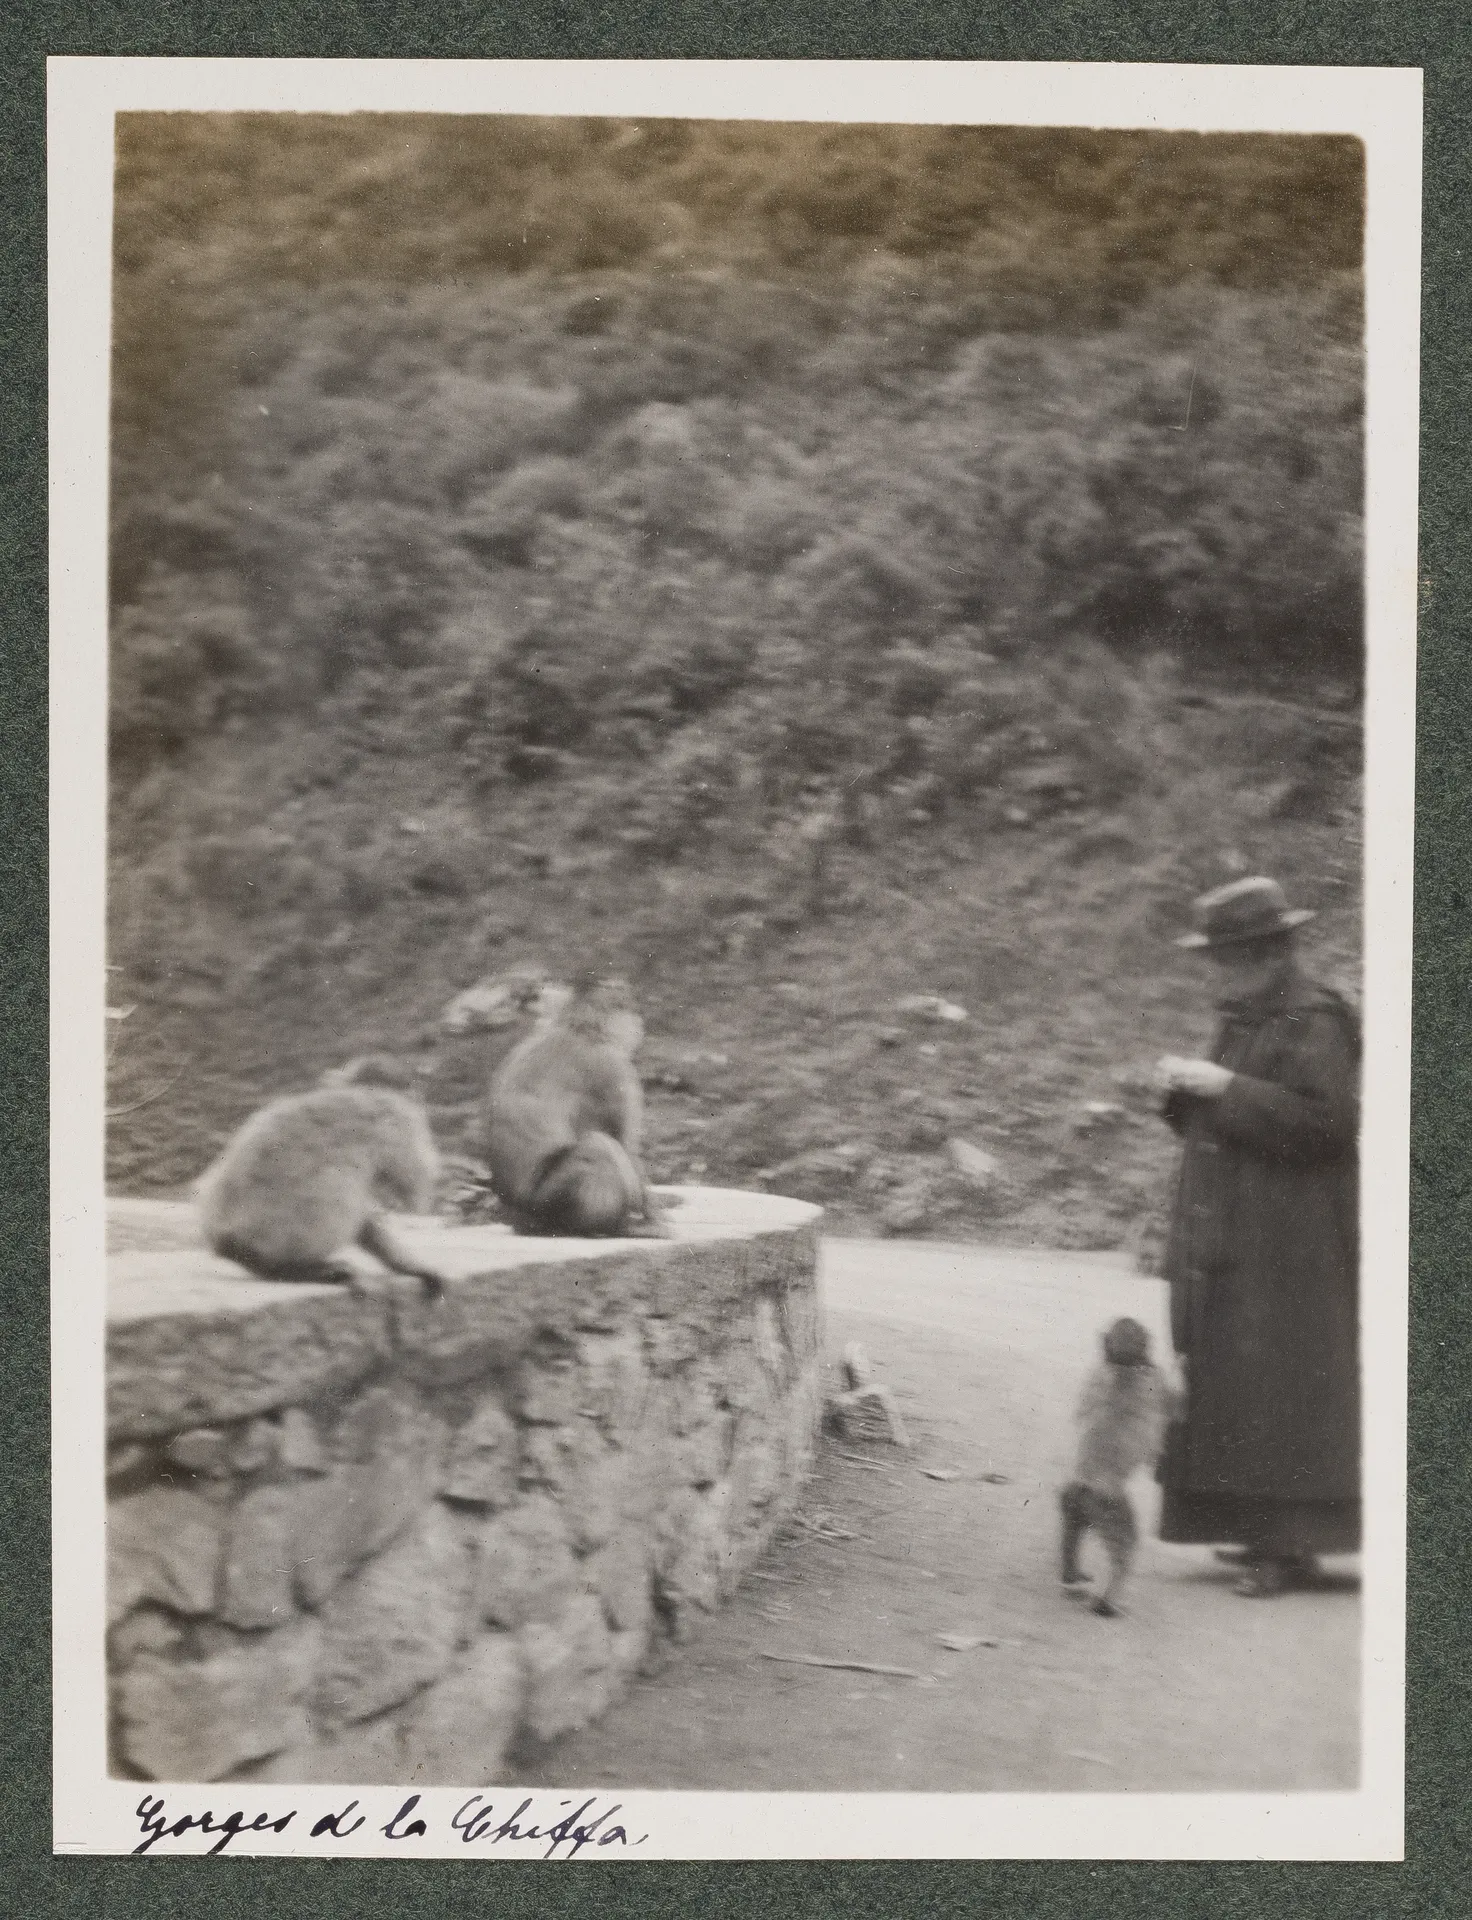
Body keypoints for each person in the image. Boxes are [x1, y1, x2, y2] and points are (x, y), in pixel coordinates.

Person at [1155, 875, 1360, 1599]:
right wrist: (1187, 1092)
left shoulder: (1315, 1017)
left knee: (1282, 1386)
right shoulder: (1246, 1013)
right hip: (1237, 1232)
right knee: (1237, 1383)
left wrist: (1222, 1088)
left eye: (1229, 955)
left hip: (1291, 1239)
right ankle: (1255, 1533)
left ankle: (1288, 1549)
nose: (1219, 970)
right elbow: (1223, 1111)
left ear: (1271, 951)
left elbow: (1326, 1124)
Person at [1059, 1316, 1178, 1617]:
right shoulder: (1151, 1381)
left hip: (1080, 1480)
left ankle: (1070, 1573)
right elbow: (1172, 1410)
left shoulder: (1100, 1376)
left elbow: (1085, 1413)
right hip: (1108, 1489)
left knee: (1074, 1520)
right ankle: (1111, 1598)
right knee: (1125, 1544)